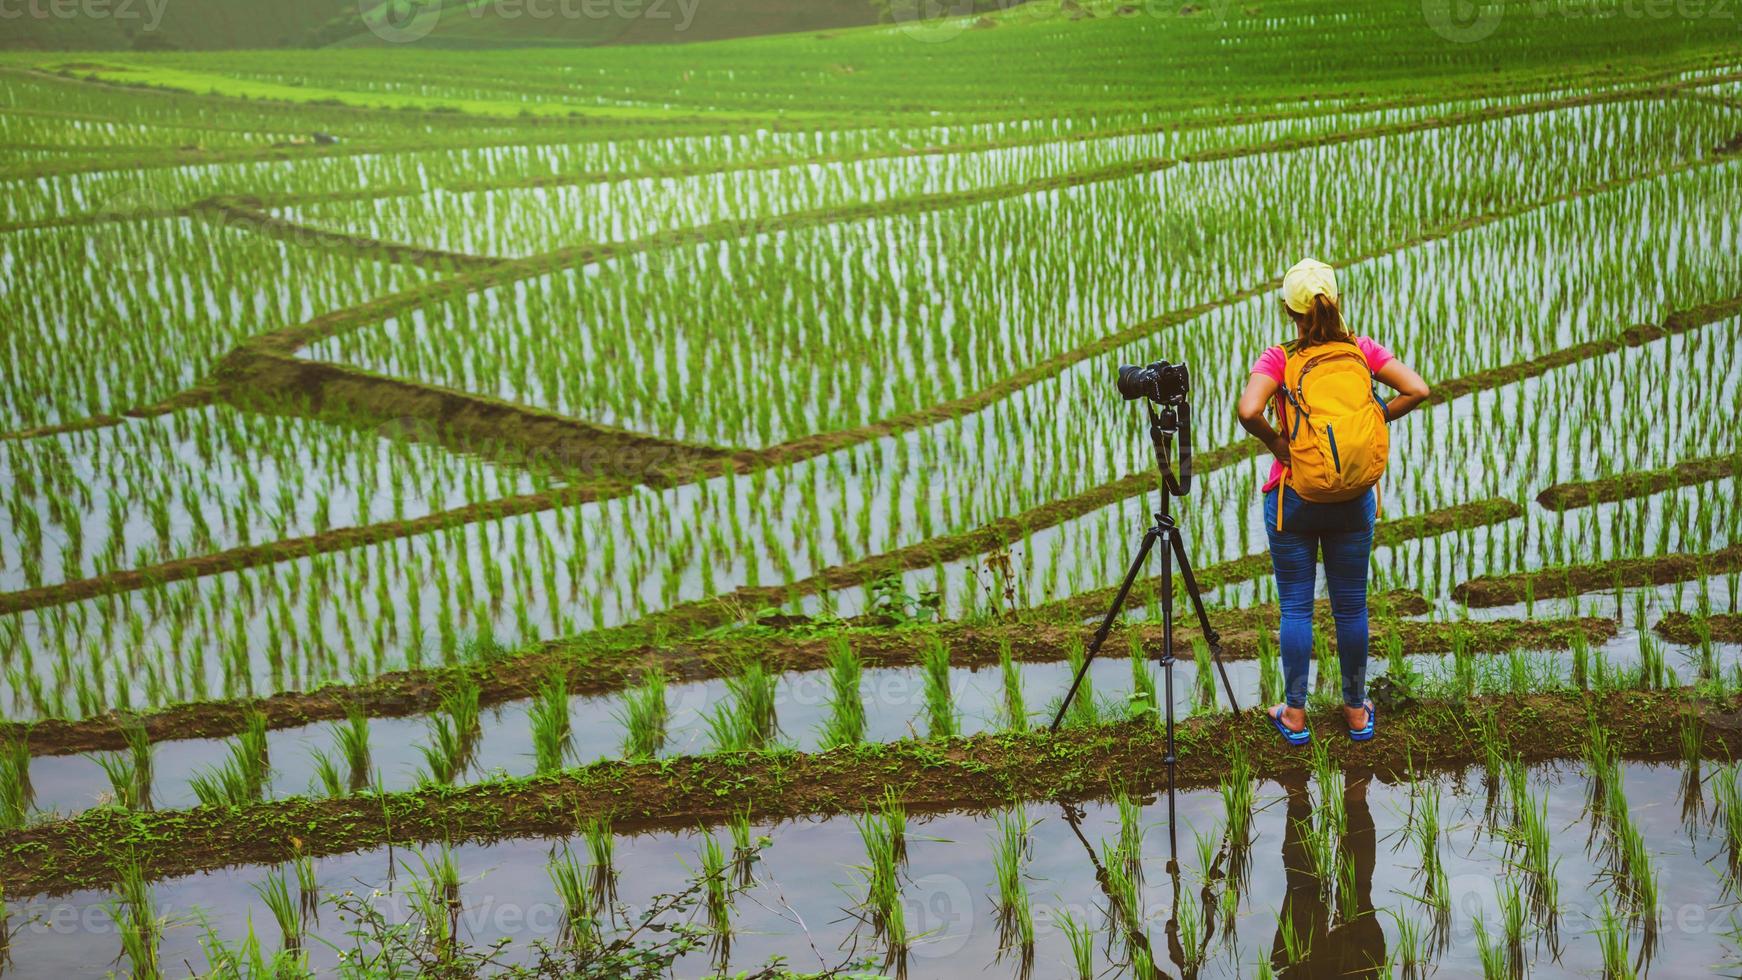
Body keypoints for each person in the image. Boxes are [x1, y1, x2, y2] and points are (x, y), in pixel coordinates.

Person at [1235, 259, 1429, 745]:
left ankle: (1295, 715)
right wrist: (1375, 418)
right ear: (1335, 302)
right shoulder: (1361, 350)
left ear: (1289, 310)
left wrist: (1279, 444)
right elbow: (1418, 389)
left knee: (1297, 610)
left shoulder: (1279, 358)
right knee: (1351, 608)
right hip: (1353, 498)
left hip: (1295, 497)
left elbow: (1248, 410)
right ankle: (1356, 712)